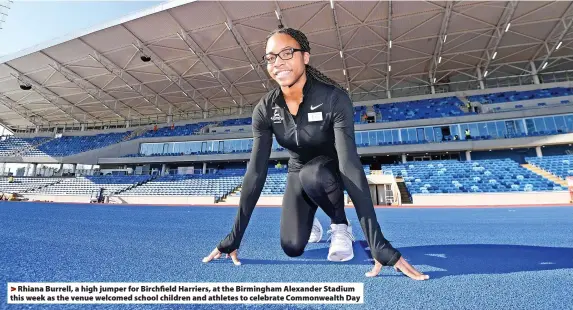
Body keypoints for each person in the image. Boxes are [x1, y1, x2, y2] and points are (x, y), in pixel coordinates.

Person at [202, 27, 428, 280]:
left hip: (330, 168)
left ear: (305, 57)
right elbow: (255, 172)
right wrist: (234, 237)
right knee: (292, 247)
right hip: (298, 171)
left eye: (287, 53)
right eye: (271, 57)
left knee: (314, 174)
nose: (278, 62)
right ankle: (311, 220)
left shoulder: (333, 98)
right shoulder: (265, 108)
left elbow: (350, 164)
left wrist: (378, 244)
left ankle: (340, 224)